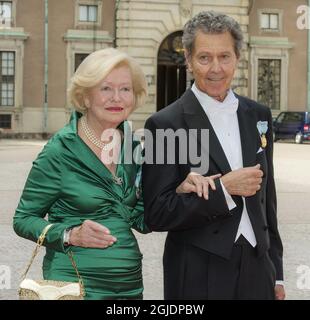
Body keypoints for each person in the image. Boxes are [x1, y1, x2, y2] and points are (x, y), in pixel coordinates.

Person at [142, 11, 285, 300]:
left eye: (225, 57)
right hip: (197, 271)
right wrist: (224, 189)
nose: (216, 68)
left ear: (238, 57)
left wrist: (277, 273)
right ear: (188, 59)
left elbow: (267, 201)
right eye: (205, 58)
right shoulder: (162, 124)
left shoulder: (259, 115)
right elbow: (157, 213)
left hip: (258, 269)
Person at [13, 48, 149, 300]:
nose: (116, 97)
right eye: (105, 88)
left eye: (125, 89)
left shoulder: (132, 146)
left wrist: (177, 188)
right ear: (85, 97)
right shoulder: (61, 150)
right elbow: (23, 219)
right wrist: (70, 234)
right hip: (72, 287)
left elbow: (140, 219)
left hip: (129, 287)